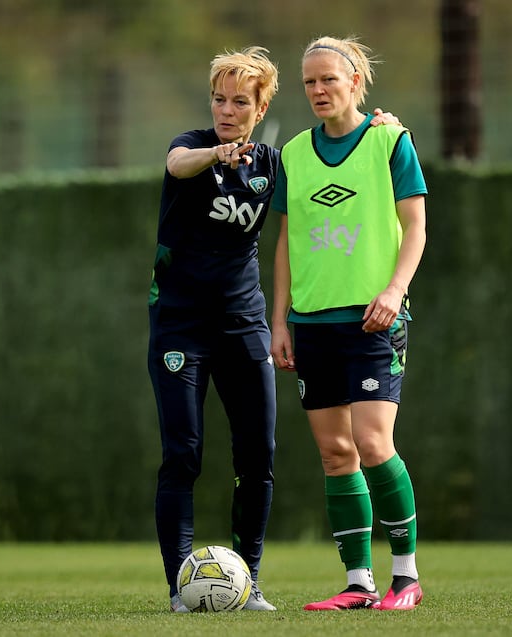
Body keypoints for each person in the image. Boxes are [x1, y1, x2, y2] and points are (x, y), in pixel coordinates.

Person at [148, 45, 400, 614]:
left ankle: (249, 582)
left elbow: (331, 159)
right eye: (219, 99)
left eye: (240, 102)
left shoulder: (274, 163)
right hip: (180, 326)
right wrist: (215, 153)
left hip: (244, 325)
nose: (227, 110)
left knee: (258, 456)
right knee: (183, 454)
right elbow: (177, 165)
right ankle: (179, 587)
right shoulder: (191, 145)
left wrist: (382, 125)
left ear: (261, 109)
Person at [269, 35, 428, 612]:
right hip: (312, 325)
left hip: (373, 322)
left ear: (355, 82)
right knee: (336, 454)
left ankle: (406, 577)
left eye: (328, 79)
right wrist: (279, 319)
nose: (318, 89)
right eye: (309, 82)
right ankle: (359, 582)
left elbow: (416, 227)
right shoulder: (293, 153)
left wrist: (394, 290)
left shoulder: (390, 140)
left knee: (373, 443)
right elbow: (286, 241)